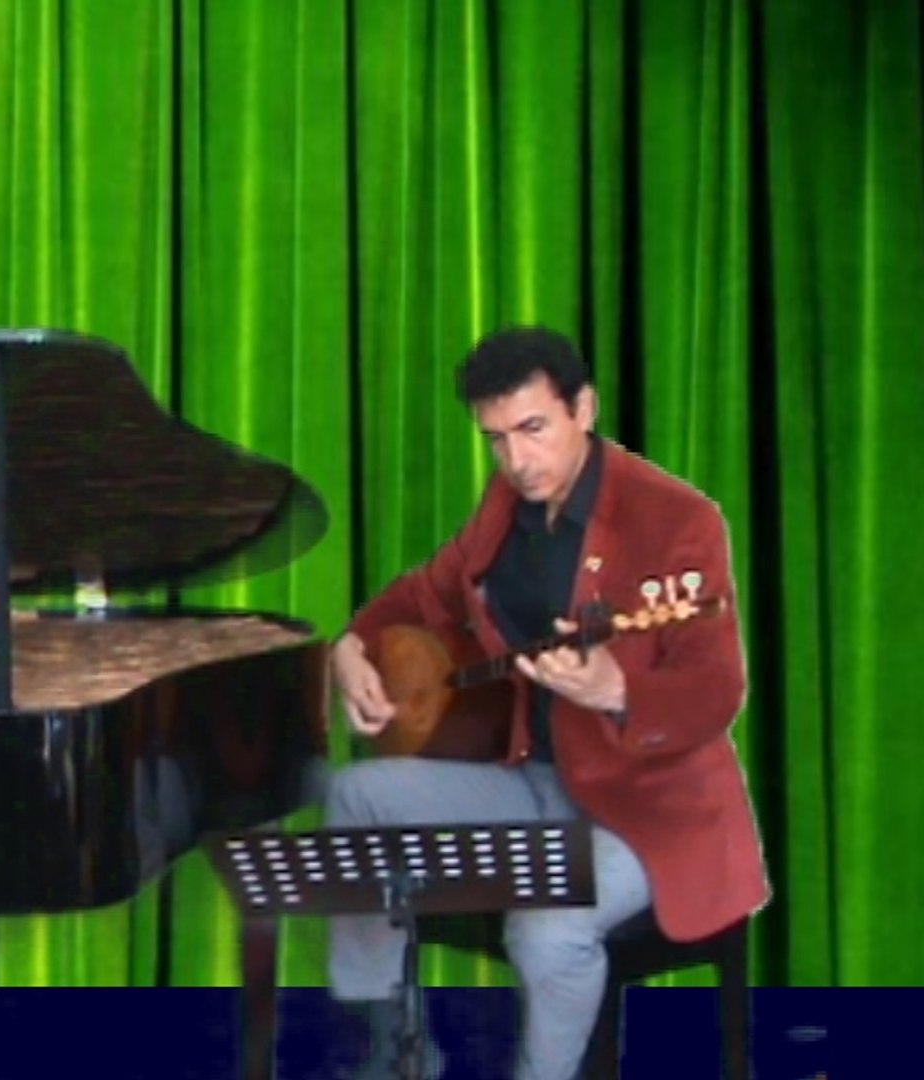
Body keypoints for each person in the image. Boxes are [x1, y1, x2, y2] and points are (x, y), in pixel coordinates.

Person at [323, 327, 769, 1079]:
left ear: (583, 409)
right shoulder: (507, 502)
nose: (517, 460)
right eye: (496, 440)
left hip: (651, 814)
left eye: (533, 429)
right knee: (357, 796)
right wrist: (350, 647)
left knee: (547, 927)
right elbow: (428, 592)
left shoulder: (679, 519)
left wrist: (619, 689)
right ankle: (394, 1050)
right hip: (536, 780)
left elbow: (717, 689)